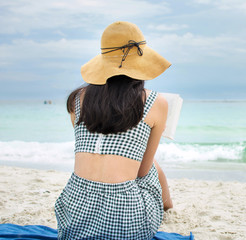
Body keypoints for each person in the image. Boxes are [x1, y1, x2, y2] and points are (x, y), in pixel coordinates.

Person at [55, 21, 173, 239]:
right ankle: (169, 207)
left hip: (74, 213)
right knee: (152, 163)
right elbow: (142, 171)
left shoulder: (77, 100)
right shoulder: (156, 102)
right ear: (142, 64)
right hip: (125, 221)